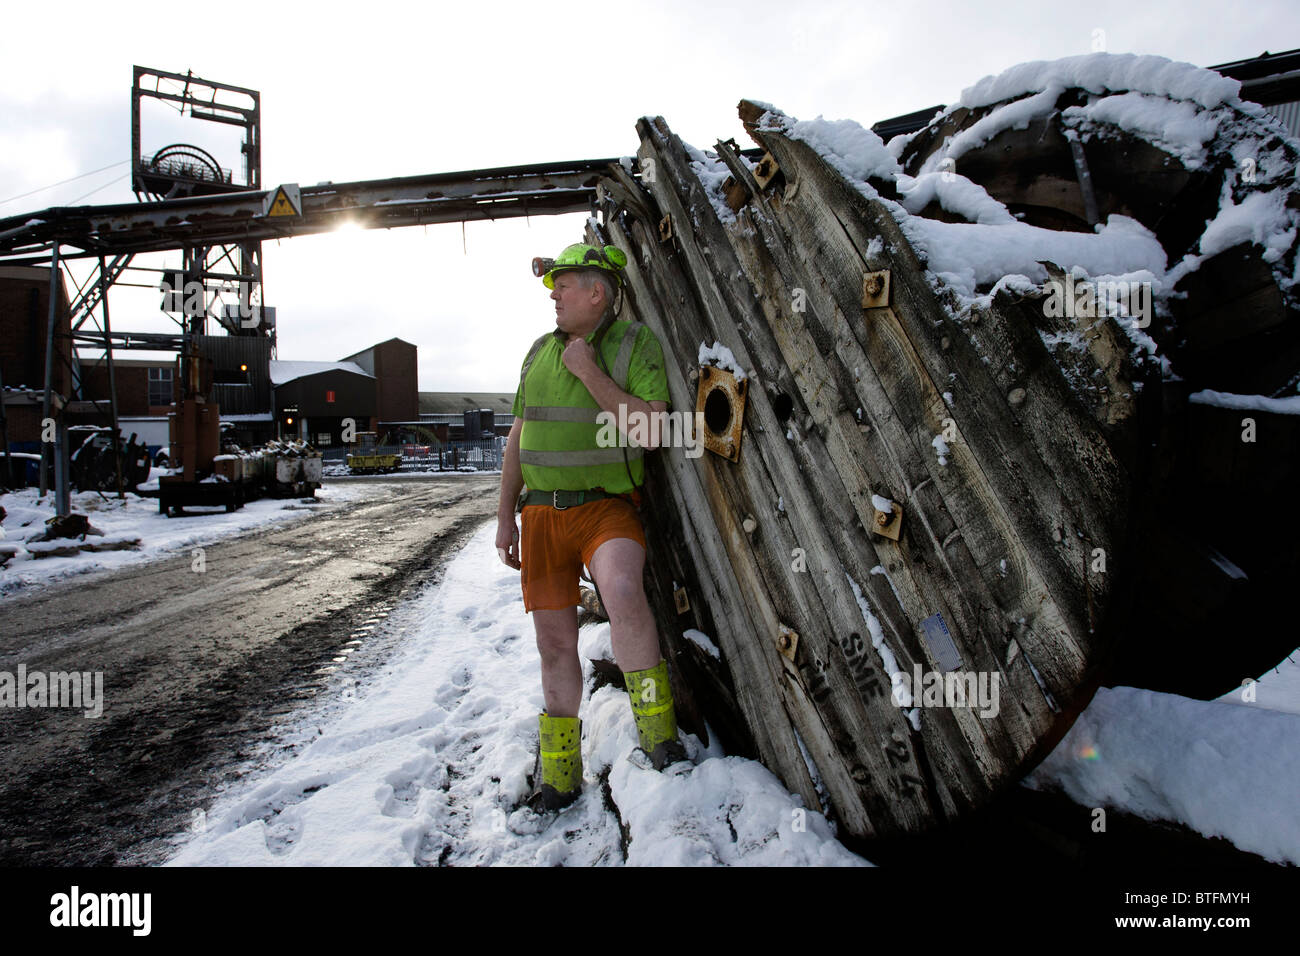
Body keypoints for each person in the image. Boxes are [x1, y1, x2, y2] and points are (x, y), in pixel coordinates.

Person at [496, 242, 687, 811]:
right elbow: (517, 439)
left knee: (624, 592)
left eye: (565, 283)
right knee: (554, 644)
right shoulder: (536, 353)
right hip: (541, 514)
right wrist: (505, 516)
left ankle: (658, 734)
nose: (554, 294)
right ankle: (558, 772)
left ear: (597, 292)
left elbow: (651, 431)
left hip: (607, 507)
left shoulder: (634, 344)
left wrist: (590, 371)